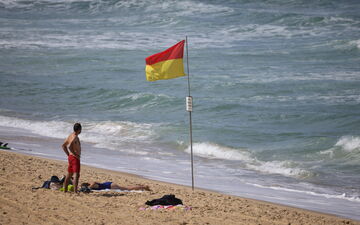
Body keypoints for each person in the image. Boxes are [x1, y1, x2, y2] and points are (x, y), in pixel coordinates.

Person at [62, 123, 82, 193]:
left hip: (71, 157)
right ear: (79, 129)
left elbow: (63, 146)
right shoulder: (75, 137)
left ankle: (65, 190)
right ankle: (75, 191)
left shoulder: (70, 135)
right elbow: (69, 147)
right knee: (76, 174)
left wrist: (68, 155)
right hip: (74, 158)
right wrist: (75, 154)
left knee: (69, 174)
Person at [81, 181, 150, 191]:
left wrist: (89, 188)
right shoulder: (91, 186)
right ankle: (142, 186)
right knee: (127, 187)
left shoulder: (91, 185)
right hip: (109, 184)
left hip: (110, 186)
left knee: (128, 188)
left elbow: (94, 182)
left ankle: (144, 187)